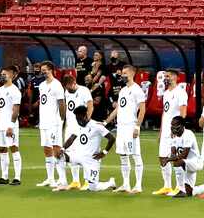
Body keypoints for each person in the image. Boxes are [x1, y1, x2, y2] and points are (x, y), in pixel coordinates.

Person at [105, 64, 146, 194]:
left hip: (130, 127)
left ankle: (138, 185)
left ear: (132, 74)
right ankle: (126, 184)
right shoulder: (122, 90)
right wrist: (106, 121)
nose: (122, 75)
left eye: (125, 73)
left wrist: (137, 126)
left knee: (135, 155)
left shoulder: (137, 90)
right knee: (123, 156)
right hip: (121, 128)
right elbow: (118, 109)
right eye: (122, 73)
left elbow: (142, 109)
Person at [57, 106, 117, 192]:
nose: (78, 121)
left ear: (85, 116)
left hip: (91, 160)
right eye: (77, 119)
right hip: (77, 156)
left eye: (79, 118)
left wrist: (104, 152)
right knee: (58, 156)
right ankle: (63, 183)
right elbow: (71, 138)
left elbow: (112, 138)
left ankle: (110, 183)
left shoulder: (96, 126)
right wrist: (62, 149)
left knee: (93, 187)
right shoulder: (78, 126)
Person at [154, 69, 189, 196]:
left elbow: (183, 112)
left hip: (175, 131)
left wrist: (178, 129)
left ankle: (180, 187)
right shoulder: (166, 93)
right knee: (162, 157)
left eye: (168, 76)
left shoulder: (180, 92)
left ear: (175, 77)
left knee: (176, 158)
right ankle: (167, 186)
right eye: (165, 76)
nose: (165, 78)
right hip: (165, 132)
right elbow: (165, 112)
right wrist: (161, 130)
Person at [35, 61, 66, 189]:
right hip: (44, 122)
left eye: (45, 70)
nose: (43, 72)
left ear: (51, 70)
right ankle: (50, 178)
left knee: (57, 150)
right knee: (47, 149)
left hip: (54, 123)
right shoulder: (42, 85)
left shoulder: (57, 85)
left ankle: (62, 179)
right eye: (42, 70)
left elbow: (61, 104)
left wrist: (62, 120)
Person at [0, 66, 21, 185]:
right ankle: (4, 177)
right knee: (2, 149)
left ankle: (17, 177)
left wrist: (11, 126)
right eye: (1, 74)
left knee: (14, 148)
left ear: (11, 75)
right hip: (0, 125)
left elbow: (15, 110)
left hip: (10, 125)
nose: (2, 76)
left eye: (4, 74)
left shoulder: (15, 91)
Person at [167, 116, 203, 198]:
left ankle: (180, 189)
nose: (173, 128)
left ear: (182, 125)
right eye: (172, 125)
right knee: (190, 192)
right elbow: (173, 152)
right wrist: (171, 157)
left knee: (177, 162)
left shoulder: (188, 134)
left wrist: (169, 159)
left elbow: (184, 154)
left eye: (175, 125)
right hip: (186, 164)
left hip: (195, 162)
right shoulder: (174, 136)